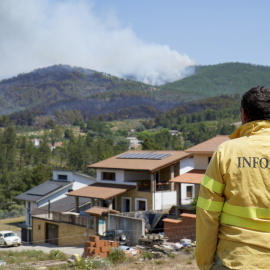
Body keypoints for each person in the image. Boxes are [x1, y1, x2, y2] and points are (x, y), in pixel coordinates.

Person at [195, 86, 270, 270]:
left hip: (235, 259)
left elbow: (207, 212)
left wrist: (205, 263)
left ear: (244, 115)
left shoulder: (226, 152)